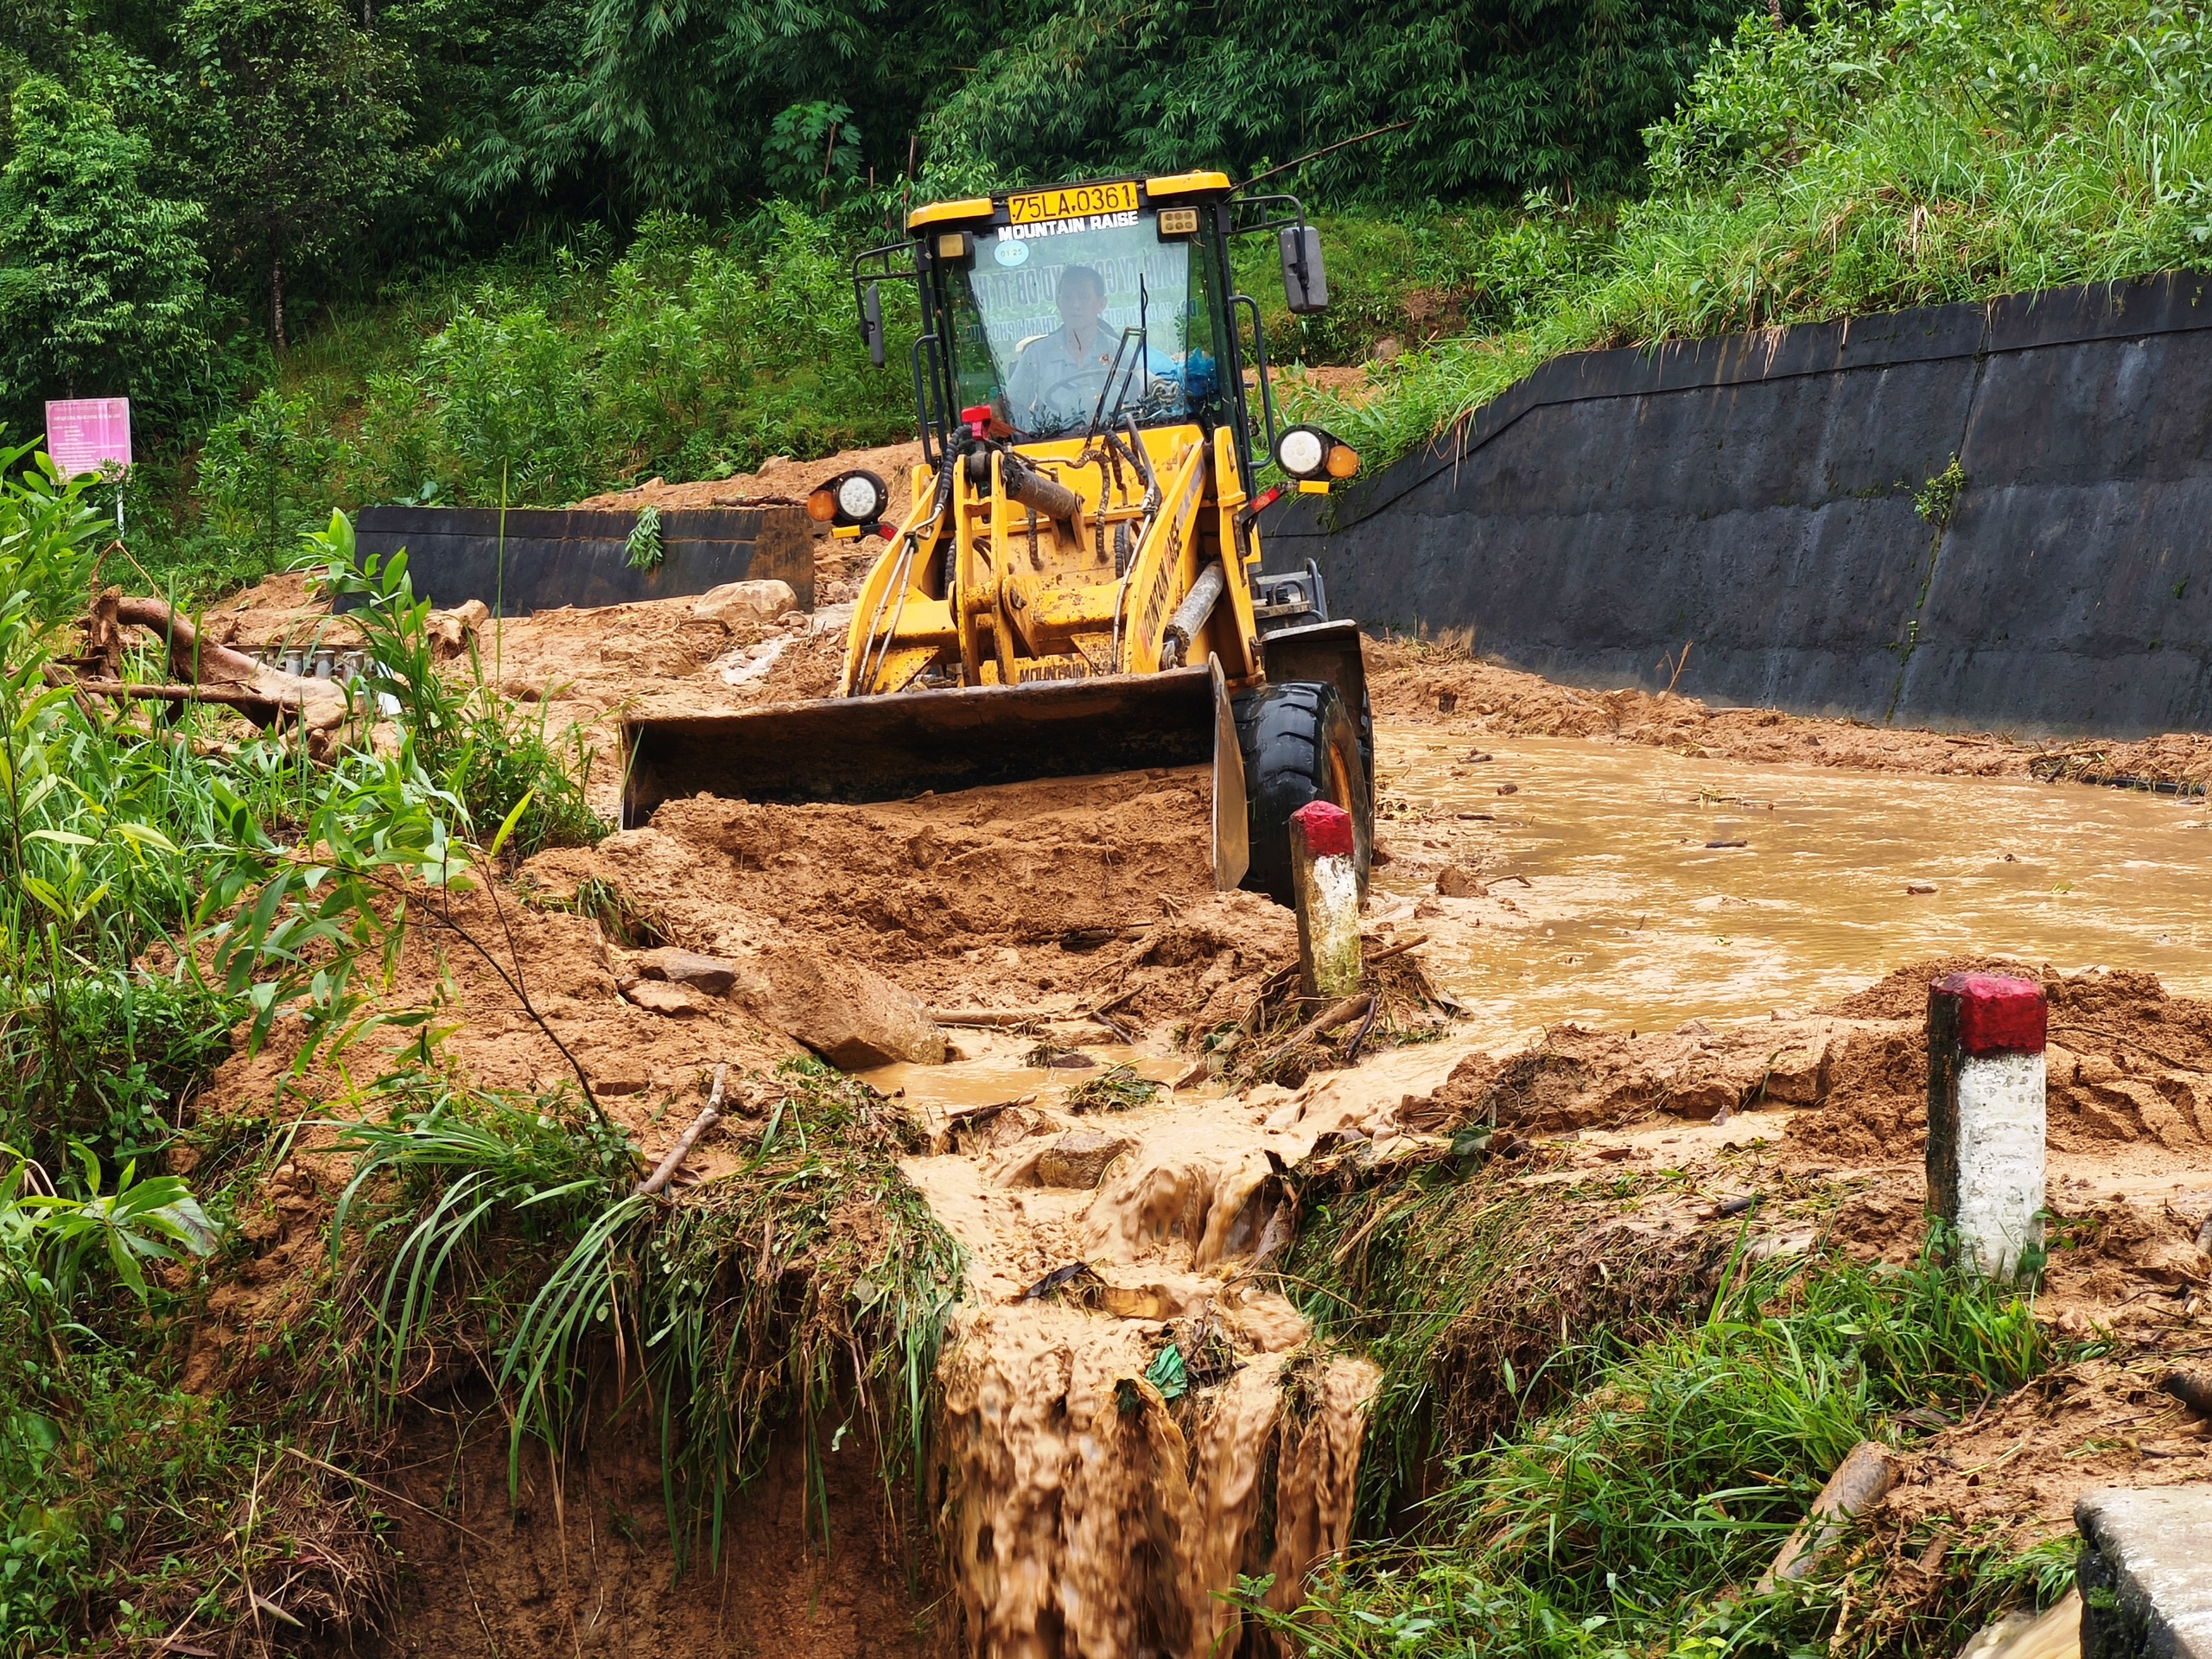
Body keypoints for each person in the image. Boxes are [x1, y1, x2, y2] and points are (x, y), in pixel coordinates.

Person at [1003, 265, 1122, 435]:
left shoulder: (1119, 351)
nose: (1075, 305)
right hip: (1050, 451)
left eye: (1083, 297)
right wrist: (1028, 438)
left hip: (1115, 441)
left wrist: (1159, 386)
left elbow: (1147, 384)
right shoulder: (1036, 355)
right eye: (1067, 298)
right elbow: (1012, 406)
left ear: (1101, 304)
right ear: (1059, 303)